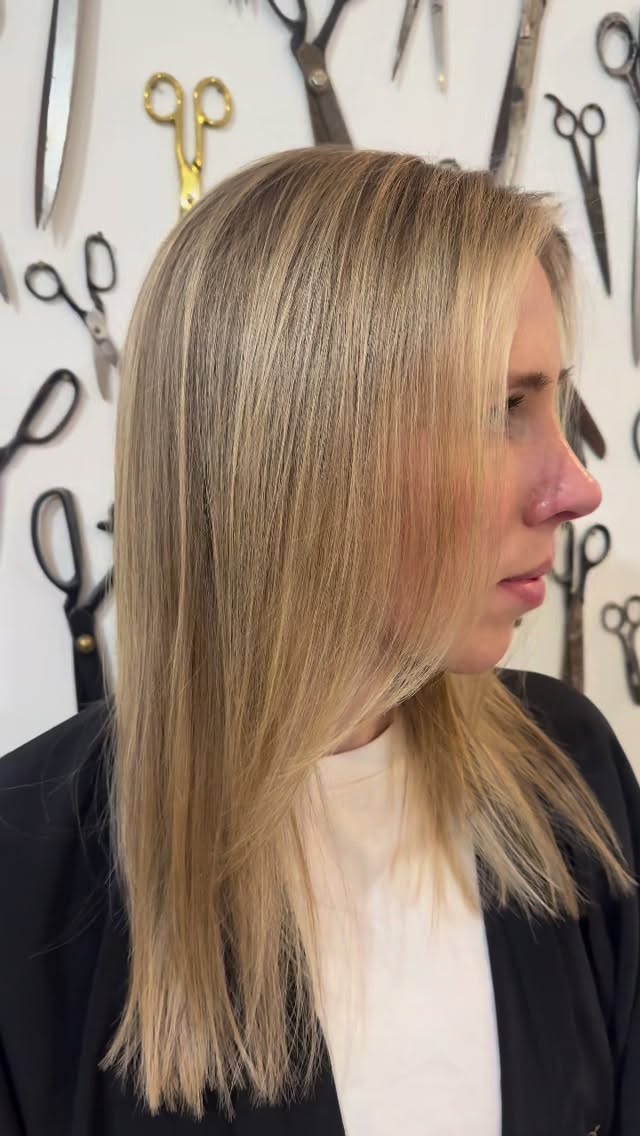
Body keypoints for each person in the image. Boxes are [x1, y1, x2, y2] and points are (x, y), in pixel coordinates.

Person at [0, 148, 638, 1136]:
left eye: (554, 400)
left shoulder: (567, 771)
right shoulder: (24, 874)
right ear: (296, 453)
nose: (576, 486)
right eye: (500, 408)